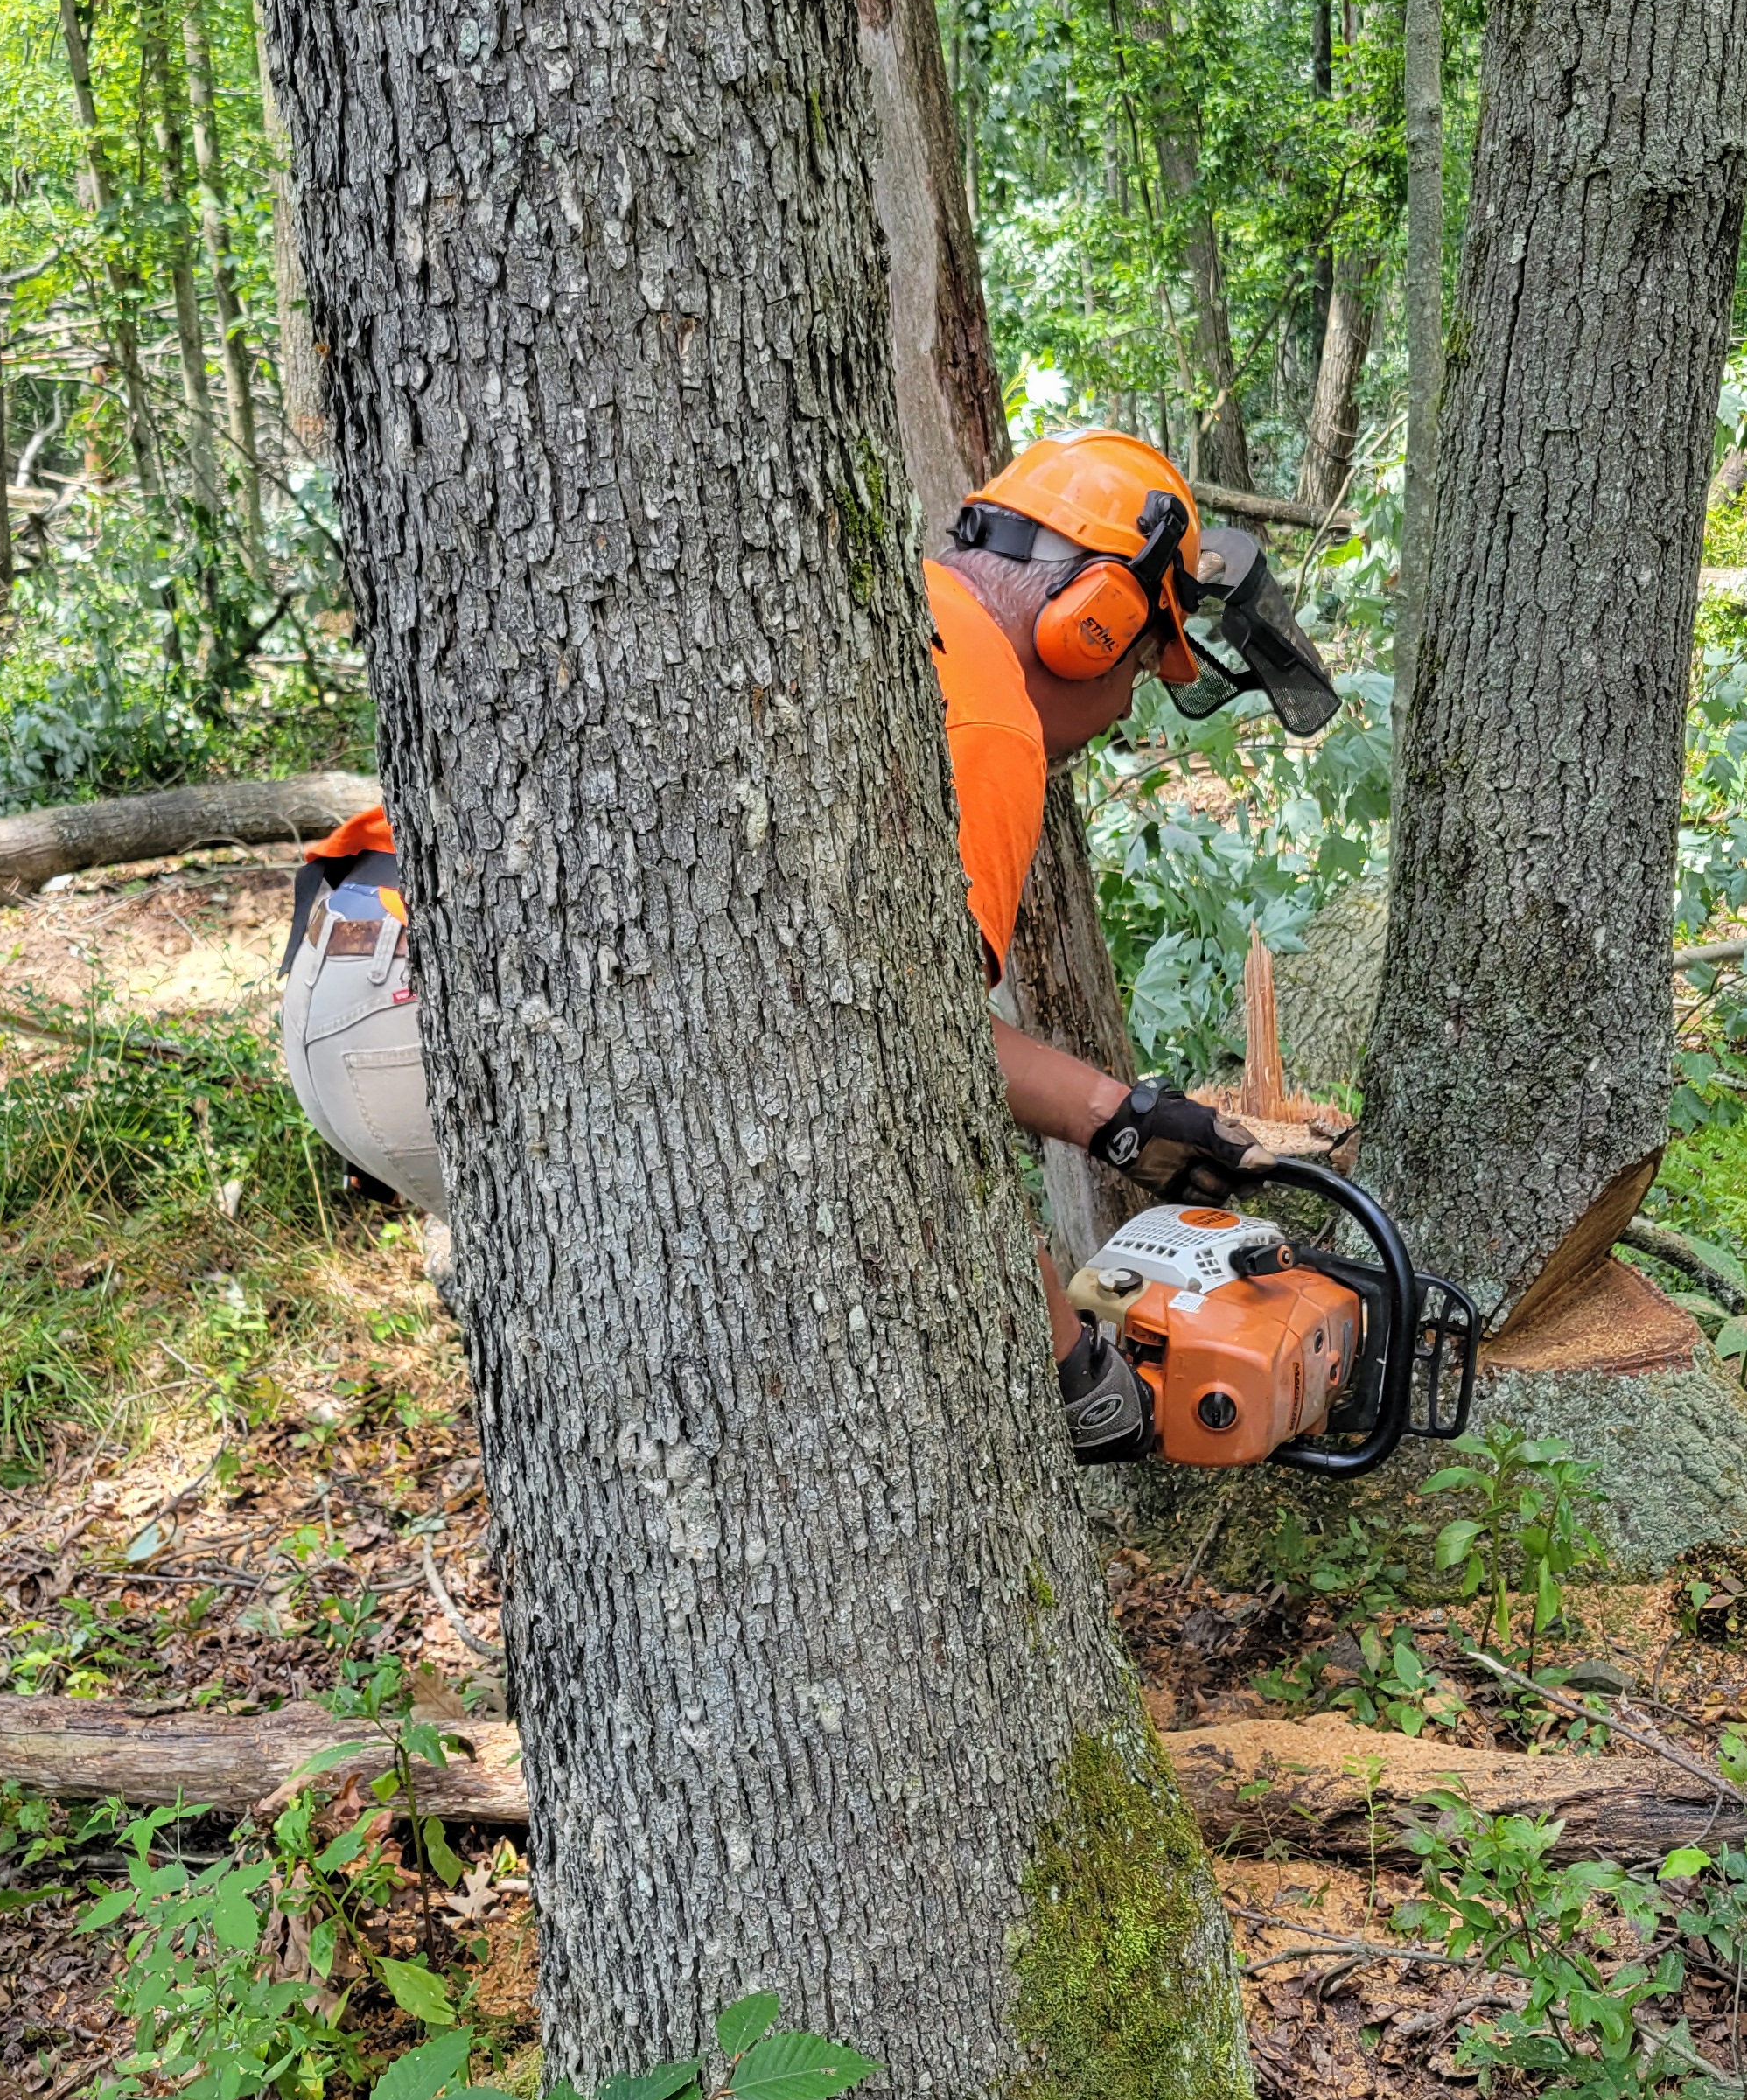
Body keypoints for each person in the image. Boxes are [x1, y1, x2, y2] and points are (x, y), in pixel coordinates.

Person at [281, 428, 1345, 1462]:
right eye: (1142, 662)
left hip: (357, 971)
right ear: (1093, 623)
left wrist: (1129, 1123)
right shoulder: (988, 717)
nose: (1126, 704)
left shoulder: (889, 611)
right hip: (438, 1024)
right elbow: (915, 1068)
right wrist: (1072, 1362)